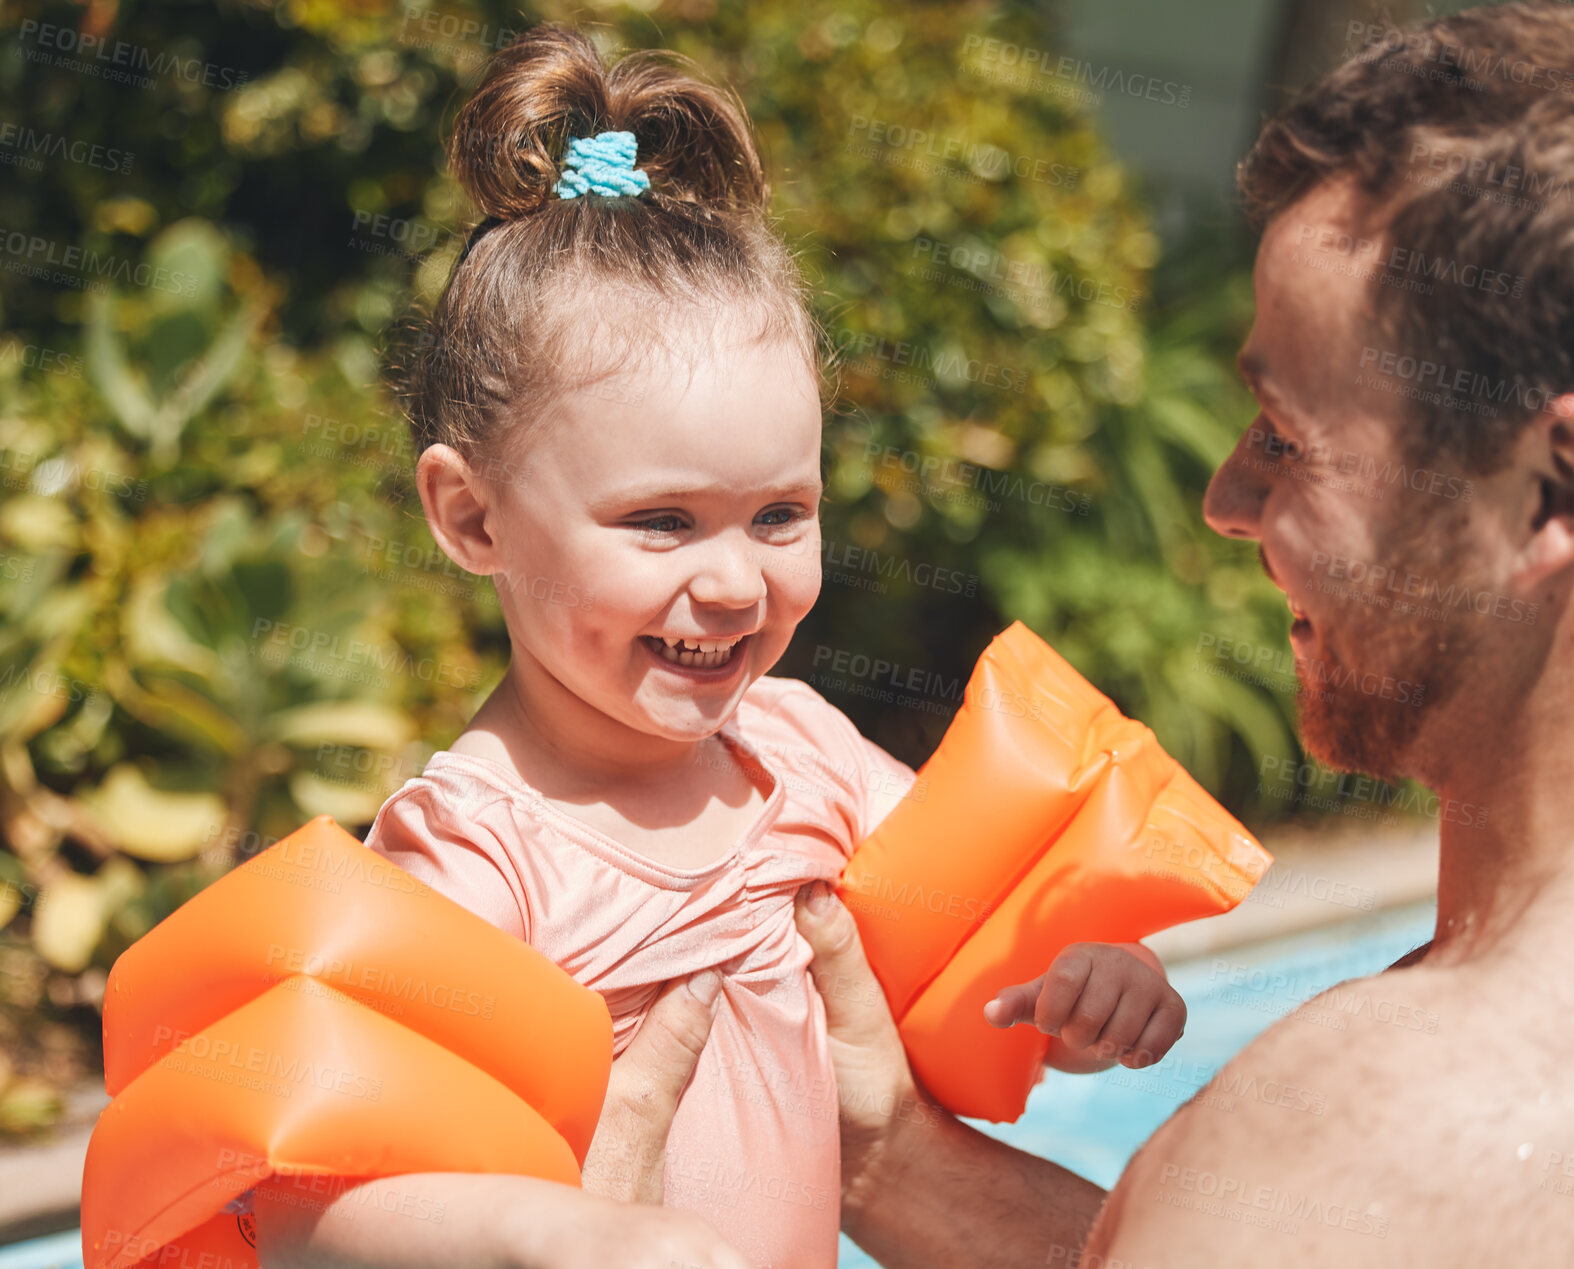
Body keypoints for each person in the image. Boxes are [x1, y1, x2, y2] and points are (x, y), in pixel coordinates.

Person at [251, 22, 1189, 1269]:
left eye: (778, 515)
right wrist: (550, 1236)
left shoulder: (802, 756)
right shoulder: (483, 853)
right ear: (470, 517)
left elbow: (986, 971)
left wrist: (1082, 988)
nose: (735, 580)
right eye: (660, 523)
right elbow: (319, 1207)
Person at [774, 3, 1574, 1265]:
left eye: (1285, 438)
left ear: (1549, 485)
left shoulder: (1354, 1132)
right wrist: (887, 1155)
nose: (1223, 502)